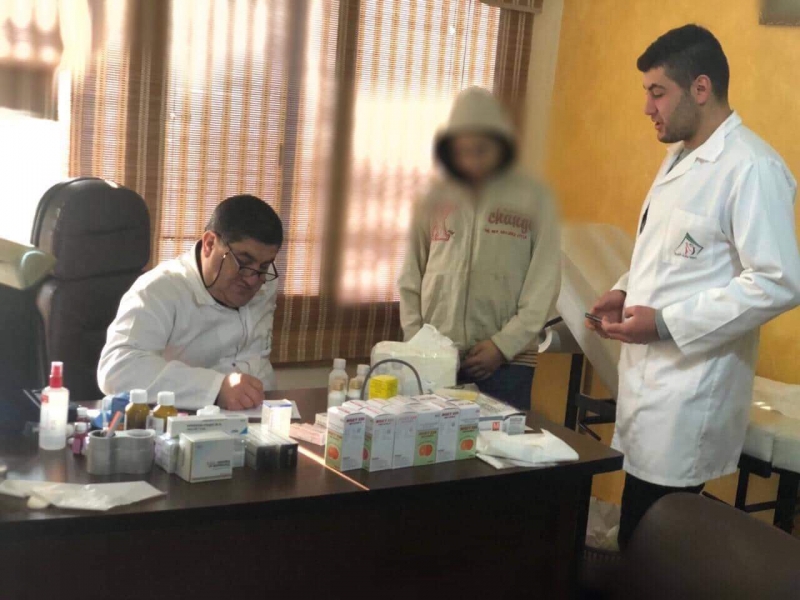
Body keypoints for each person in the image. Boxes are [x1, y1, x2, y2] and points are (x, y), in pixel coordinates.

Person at [586, 25, 800, 549]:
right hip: (652, 385)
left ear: (700, 88)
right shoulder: (680, 158)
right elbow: (668, 253)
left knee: (655, 542)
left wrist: (665, 323)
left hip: (689, 393)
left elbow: (779, 281)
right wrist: (624, 289)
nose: (647, 107)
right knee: (641, 532)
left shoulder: (752, 167)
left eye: (657, 92)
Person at [399, 87, 561, 410]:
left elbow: (544, 285)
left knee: (499, 442)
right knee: (431, 441)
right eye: (463, 150)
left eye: (481, 150)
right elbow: (410, 278)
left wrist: (502, 346)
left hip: (507, 365)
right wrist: (419, 344)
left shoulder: (535, 200)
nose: (471, 160)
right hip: (434, 359)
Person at [98, 194, 282, 411]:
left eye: (264, 266)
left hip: (264, 411)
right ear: (209, 244)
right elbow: (118, 369)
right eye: (243, 262)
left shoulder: (265, 282)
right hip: (187, 417)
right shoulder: (160, 288)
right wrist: (215, 388)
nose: (252, 280)